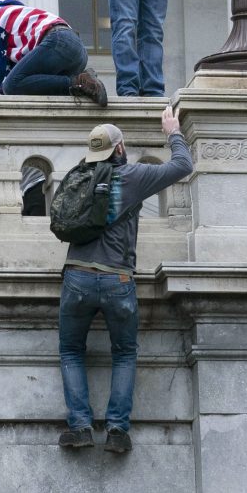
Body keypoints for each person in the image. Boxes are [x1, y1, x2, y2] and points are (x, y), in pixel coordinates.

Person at [58, 105, 192, 455]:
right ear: (119, 149)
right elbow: (183, 166)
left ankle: (80, 427)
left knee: (72, 351)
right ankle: (117, 431)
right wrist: (173, 132)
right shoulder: (132, 176)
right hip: (117, 277)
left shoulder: (79, 176)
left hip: (76, 275)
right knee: (124, 353)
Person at [0, 0, 109, 105]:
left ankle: (79, 82)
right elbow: (16, 71)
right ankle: (84, 83)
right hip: (78, 51)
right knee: (36, 85)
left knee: (11, 85)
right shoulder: (20, 13)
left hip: (58, 42)